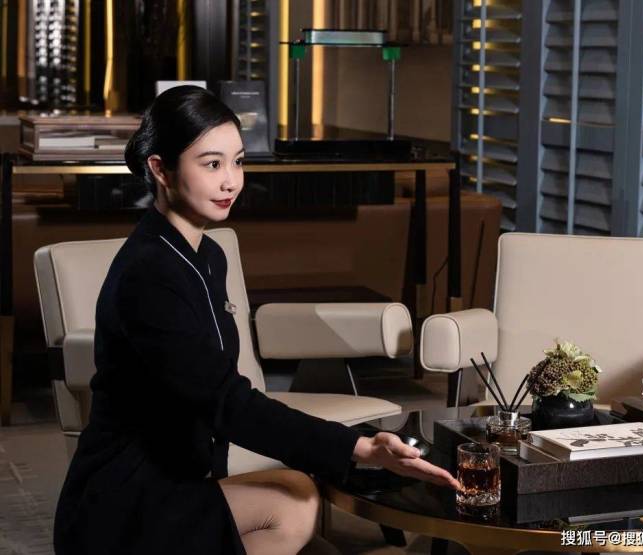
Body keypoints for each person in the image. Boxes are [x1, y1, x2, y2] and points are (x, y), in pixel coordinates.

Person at [53, 85, 459, 555]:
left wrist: (355, 447)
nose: (231, 181)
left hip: (181, 479)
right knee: (294, 505)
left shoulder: (207, 256)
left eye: (239, 162)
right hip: (122, 500)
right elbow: (226, 403)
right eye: (212, 164)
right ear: (160, 169)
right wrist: (360, 447)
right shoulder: (149, 274)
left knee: (304, 509)